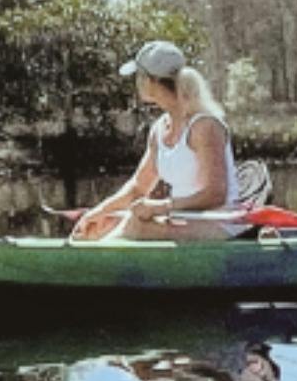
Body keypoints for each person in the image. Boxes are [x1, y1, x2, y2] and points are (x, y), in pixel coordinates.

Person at [65, 42, 240, 243]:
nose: (136, 83)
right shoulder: (159, 129)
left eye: (138, 76)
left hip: (221, 224)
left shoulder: (204, 126)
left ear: (150, 81)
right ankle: (90, 255)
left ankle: (93, 260)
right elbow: (138, 188)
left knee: (136, 225)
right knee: (105, 223)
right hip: (185, 220)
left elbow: (215, 195)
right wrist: (97, 213)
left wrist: (159, 207)